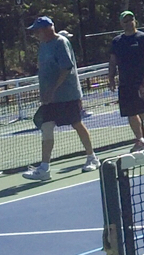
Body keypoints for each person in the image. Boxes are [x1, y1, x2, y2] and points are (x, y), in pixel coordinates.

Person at [22, 16, 99, 181]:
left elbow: (66, 68)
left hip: (68, 95)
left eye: (38, 30)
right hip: (50, 98)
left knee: (77, 123)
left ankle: (92, 158)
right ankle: (44, 168)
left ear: (47, 29)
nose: (35, 34)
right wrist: (44, 92)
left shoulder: (61, 43)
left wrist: (53, 89)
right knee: (47, 127)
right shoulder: (43, 46)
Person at [108, 11, 144, 152]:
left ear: (135, 21)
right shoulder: (117, 41)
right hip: (124, 82)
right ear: (121, 24)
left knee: (143, 110)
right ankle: (140, 140)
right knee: (130, 113)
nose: (128, 23)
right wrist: (111, 78)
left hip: (140, 81)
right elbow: (113, 62)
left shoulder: (143, 38)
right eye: (125, 21)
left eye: (130, 19)